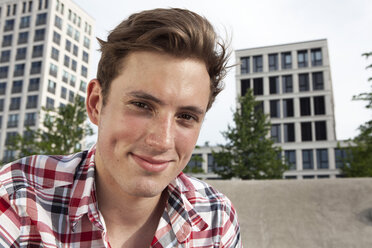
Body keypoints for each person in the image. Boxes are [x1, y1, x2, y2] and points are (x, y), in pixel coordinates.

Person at [0, 8, 242, 247]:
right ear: (96, 104)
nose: (163, 141)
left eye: (186, 116)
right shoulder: (19, 198)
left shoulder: (216, 219)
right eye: (141, 105)